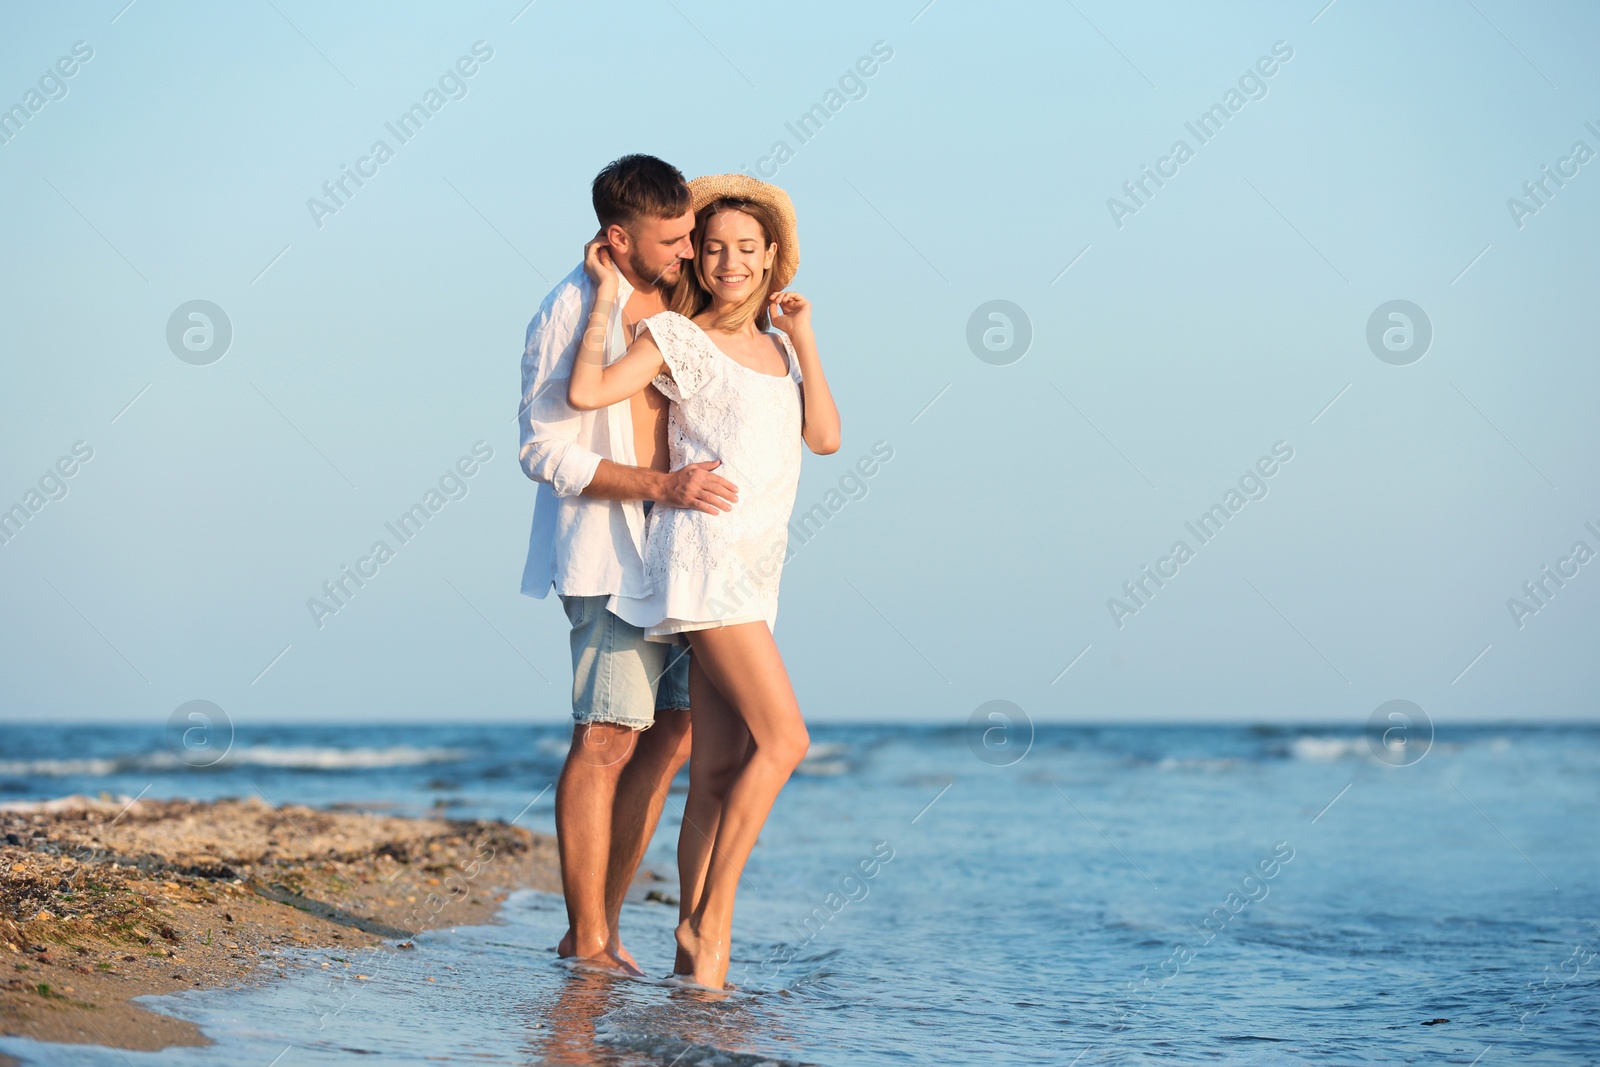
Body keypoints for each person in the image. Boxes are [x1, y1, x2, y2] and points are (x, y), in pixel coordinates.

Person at [568, 173, 841, 989]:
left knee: (718, 769)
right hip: (707, 561)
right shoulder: (680, 338)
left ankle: (696, 949)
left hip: (757, 569)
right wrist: (602, 298)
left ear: (772, 260)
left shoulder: (782, 349)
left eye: (746, 249)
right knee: (785, 739)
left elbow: (824, 436)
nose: (727, 261)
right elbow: (586, 392)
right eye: (713, 245)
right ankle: (710, 916)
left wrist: (809, 337)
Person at [518, 155, 741, 975]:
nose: (689, 251)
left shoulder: (683, 299)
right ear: (619, 237)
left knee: (675, 733)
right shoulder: (569, 308)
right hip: (609, 555)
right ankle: (588, 938)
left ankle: (602, 926)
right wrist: (659, 484)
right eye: (674, 238)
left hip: (686, 556)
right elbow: (541, 449)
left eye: (691, 235)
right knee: (606, 738)